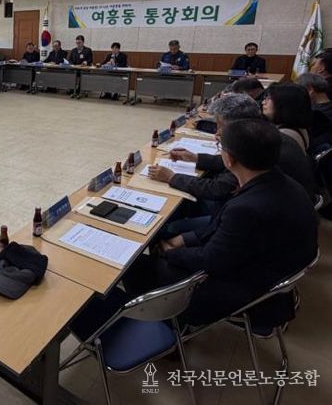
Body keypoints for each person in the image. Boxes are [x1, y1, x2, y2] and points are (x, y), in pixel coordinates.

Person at [125, 119, 317, 327]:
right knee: (167, 239)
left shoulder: (246, 208)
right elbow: (225, 233)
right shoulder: (284, 184)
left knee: (138, 267)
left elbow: (211, 260)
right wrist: (183, 239)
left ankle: (164, 326)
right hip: (265, 268)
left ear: (229, 159)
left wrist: (169, 253)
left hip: (247, 290)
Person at [149, 94, 316, 241]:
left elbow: (218, 189)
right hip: (269, 217)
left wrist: (171, 177)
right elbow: (229, 164)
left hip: (252, 225)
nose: (217, 132)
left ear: (236, 124)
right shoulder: (263, 137)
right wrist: (195, 158)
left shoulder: (258, 155)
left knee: (170, 224)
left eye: (220, 125)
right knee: (185, 199)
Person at [263, 83, 312, 152]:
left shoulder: (284, 135)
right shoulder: (296, 126)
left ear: (283, 104)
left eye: (269, 99)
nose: (263, 102)